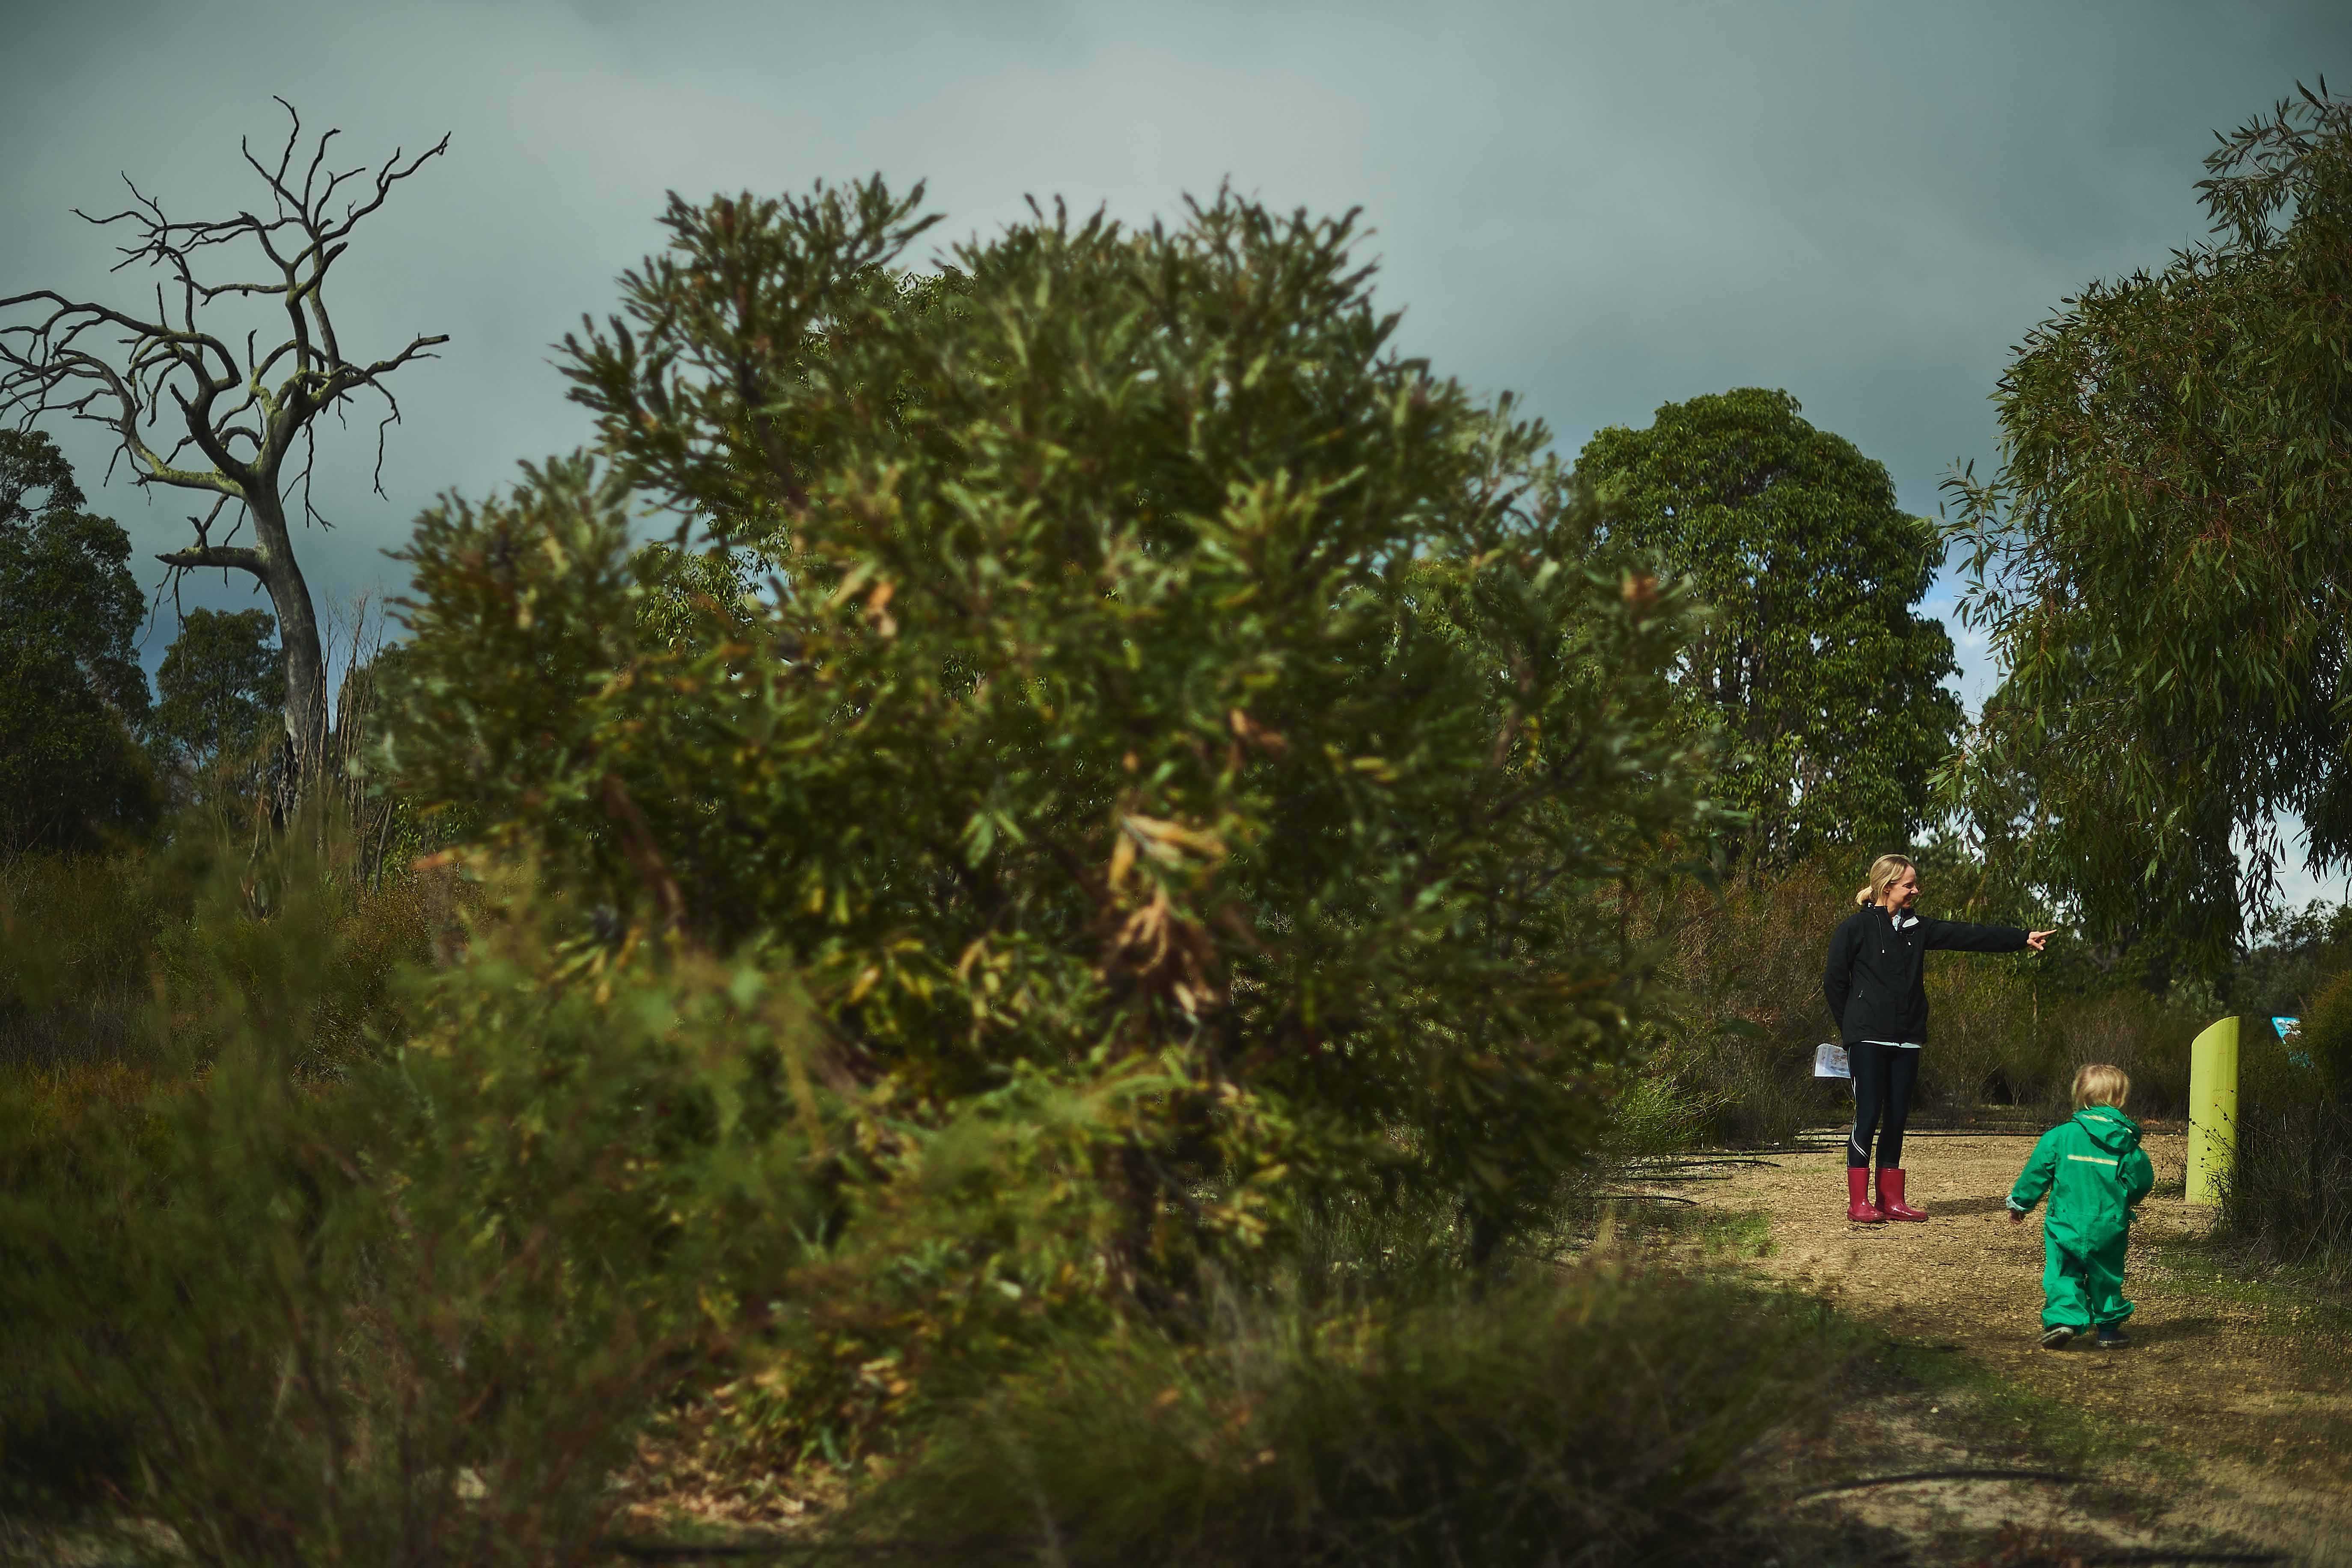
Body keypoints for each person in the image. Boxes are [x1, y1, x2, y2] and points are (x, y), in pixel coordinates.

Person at [1823, 854, 2055, 1223]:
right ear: (1888, 888)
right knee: (1867, 1115)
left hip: (1908, 1038)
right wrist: (1852, 1028)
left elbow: (1969, 934)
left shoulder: (1918, 927)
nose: (1916, 890)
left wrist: (2020, 938)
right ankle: (1858, 1203)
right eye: (1909, 885)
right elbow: (1834, 982)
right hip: (1866, 1038)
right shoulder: (1854, 929)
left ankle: (1890, 1201)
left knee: (1897, 1116)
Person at [2006, 1063, 2155, 1349]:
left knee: (2063, 1271)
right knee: (2106, 1273)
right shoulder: (2126, 1144)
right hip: (2108, 1221)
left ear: (2080, 1096)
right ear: (2119, 1100)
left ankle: (2063, 1319)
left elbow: (2037, 1173)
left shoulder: (2061, 1137)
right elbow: (2141, 1179)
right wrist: (2126, 1198)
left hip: (2065, 1221)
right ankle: (2108, 1329)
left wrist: (2020, 1204)